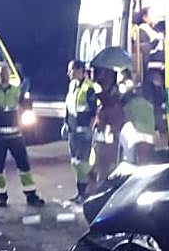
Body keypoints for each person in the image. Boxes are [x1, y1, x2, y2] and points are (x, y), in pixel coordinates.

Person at [0, 65, 45, 207]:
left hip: (15, 136)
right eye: (1, 73)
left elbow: (24, 105)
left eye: (5, 73)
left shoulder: (16, 90)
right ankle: (1, 196)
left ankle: (31, 195)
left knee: (24, 165)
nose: (4, 76)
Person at [88, 47, 131, 186]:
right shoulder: (103, 103)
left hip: (113, 167)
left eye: (103, 74)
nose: (98, 79)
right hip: (102, 166)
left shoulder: (120, 105)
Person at [64, 60, 95, 202]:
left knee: (83, 163)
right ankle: (80, 192)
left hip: (83, 131)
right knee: (75, 163)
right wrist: (65, 123)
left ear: (79, 70)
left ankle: (85, 193)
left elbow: (94, 111)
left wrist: (90, 128)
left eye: (71, 70)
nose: (68, 73)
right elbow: (69, 106)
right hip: (73, 130)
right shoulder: (72, 86)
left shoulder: (89, 88)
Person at [120, 79, 157, 165]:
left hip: (138, 136)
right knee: (144, 160)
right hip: (150, 137)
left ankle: (129, 161)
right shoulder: (149, 106)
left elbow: (124, 119)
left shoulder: (130, 105)